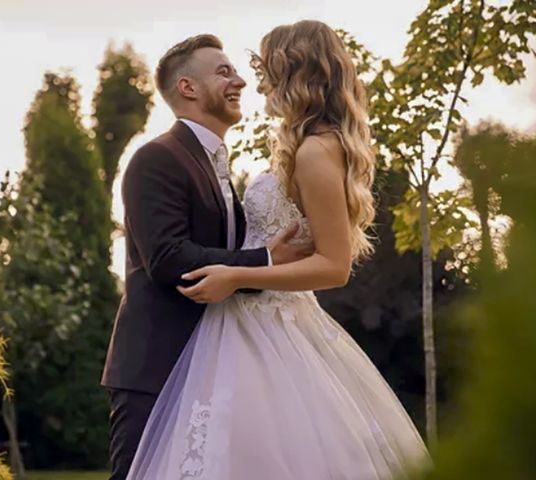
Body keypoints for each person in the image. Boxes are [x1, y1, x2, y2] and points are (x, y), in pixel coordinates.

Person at [125, 20, 430, 479]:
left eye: (262, 67)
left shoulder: (314, 151)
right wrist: (254, 263)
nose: (252, 80)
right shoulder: (293, 148)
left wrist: (241, 274)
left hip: (267, 327)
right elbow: (172, 255)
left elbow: (334, 265)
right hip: (232, 331)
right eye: (231, 71)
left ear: (293, 71)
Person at [100, 34, 313, 480]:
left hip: (211, 364)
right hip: (156, 367)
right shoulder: (155, 158)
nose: (240, 82)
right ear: (188, 88)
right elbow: (168, 257)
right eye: (224, 72)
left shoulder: (213, 162)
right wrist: (267, 261)